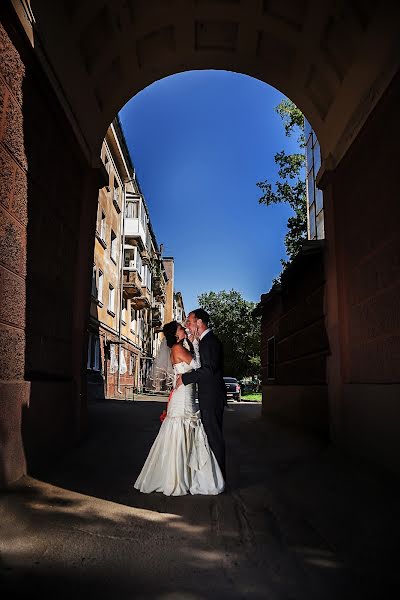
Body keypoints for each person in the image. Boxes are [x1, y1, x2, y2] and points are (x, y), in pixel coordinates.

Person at [134, 320, 224, 496]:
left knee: (185, 434)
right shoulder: (177, 348)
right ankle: (176, 479)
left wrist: (192, 343)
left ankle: (185, 476)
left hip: (186, 394)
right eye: (181, 328)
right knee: (181, 433)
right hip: (183, 398)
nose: (184, 328)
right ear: (176, 334)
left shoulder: (180, 347)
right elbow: (198, 366)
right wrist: (196, 342)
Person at [175, 309, 226, 480]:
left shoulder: (209, 342)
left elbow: (209, 370)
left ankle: (219, 479)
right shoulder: (203, 341)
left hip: (212, 397)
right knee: (210, 436)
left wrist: (185, 378)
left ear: (199, 322)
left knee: (214, 437)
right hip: (209, 396)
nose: (187, 325)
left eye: (189, 322)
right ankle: (215, 477)